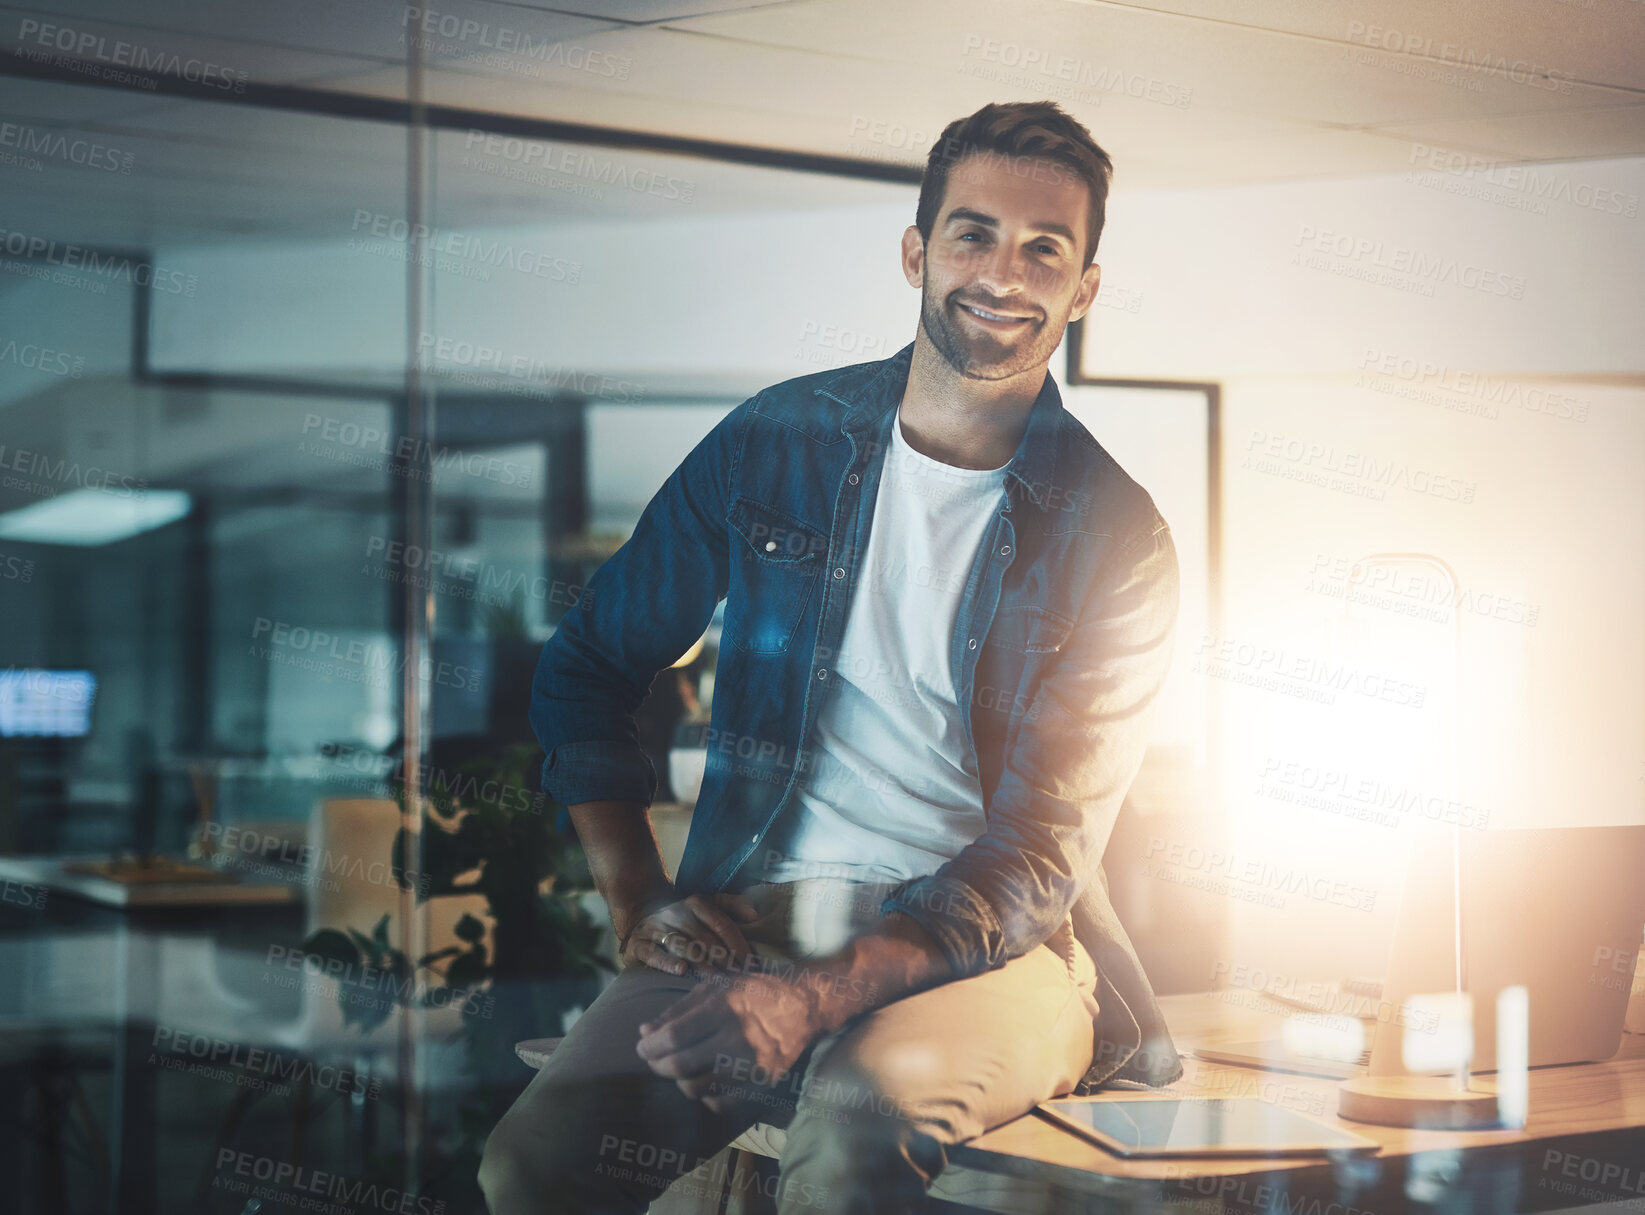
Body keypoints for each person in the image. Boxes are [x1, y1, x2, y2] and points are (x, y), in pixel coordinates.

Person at [481, 99, 1183, 1214]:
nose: (1004, 272)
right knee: (534, 1166)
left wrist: (814, 999)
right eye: (972, 234)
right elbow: (586, 669)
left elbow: (1037, 855)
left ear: (1084, 286)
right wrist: (635, 901)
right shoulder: (776, 442)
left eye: (1045, 248)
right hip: (756, 913)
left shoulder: (1117, 537)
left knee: (851, 1143)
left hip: (994, 952)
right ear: (916, 250)